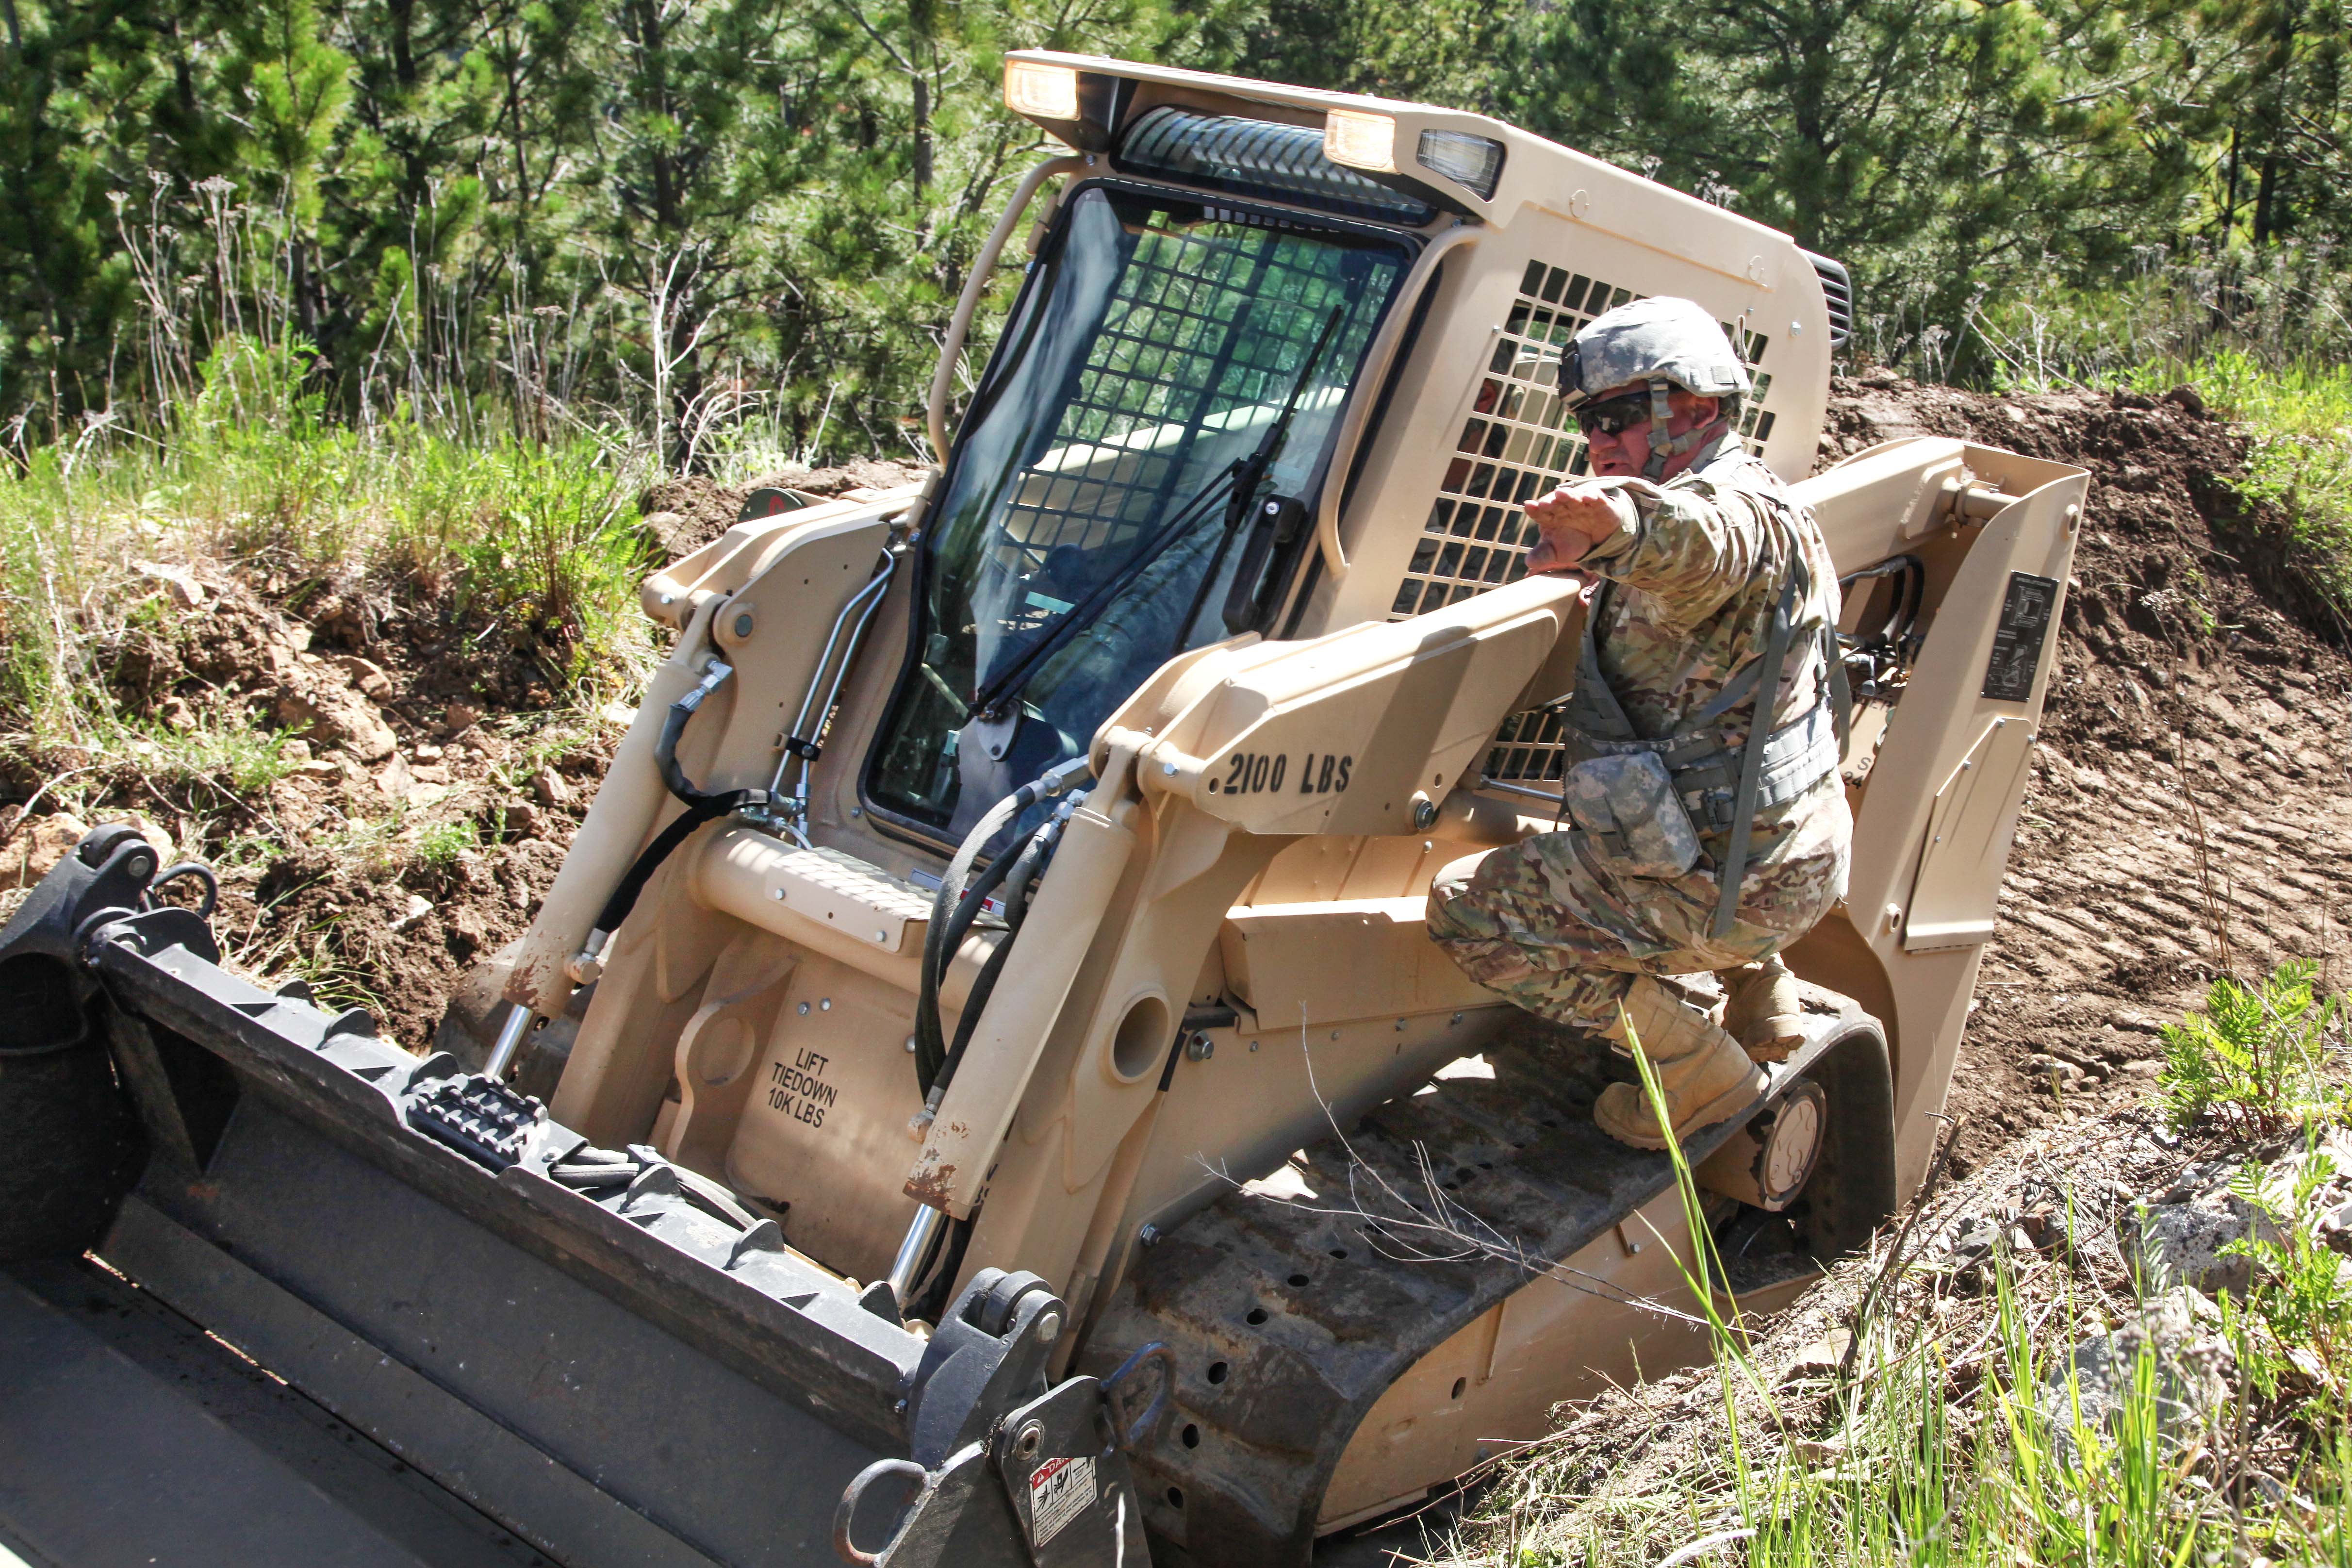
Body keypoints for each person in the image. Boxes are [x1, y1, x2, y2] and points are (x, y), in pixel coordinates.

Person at [1425, 296, 1851, 1150]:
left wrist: (1620, 528)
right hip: (1791, 859)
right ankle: (1764, 992)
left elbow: (1701, 544)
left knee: (1463, 910)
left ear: (1695, 408)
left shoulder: (1730, 518)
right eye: (1589, 421)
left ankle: (1699, 1070)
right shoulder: (1769, 495)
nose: (1599, 440)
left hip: (1734, 890)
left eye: (1620, 416)